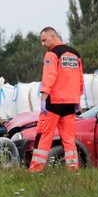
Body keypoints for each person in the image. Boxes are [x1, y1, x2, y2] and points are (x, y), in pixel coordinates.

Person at [29, 27, 83, 172]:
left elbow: (49, 77)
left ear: (53, 36)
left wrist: (43, 98)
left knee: (44, 136)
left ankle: (35, 170)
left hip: (54, 102)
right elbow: (80, 78)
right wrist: (78, 100)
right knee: (69, 139)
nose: (43, 44)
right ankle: (73, 169)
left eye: (44, 40)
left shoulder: (51, 54)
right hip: (70, 103)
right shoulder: (74, 53)